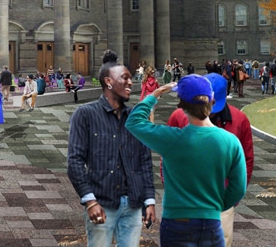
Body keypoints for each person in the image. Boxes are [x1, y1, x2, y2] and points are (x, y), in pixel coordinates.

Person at [126, 74, 246, 247]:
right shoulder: (231, 141)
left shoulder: (172, 139)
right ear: (212, 100)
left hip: (177, 222)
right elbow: (238, 188)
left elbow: (134, 122)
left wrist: (156, 93)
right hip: (211, 223)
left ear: (182, 106)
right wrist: (215, 207)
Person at [67, 50, 156, 247]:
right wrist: (90, 201)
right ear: (108, 82)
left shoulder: (135, 118)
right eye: (124, 78)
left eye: (131, 78)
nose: (131, 83)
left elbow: (144, 161)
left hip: (133, 205)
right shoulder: (85, 115)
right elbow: (74, 161)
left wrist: (149, 199)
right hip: (102, 203)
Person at [164, 73, 253, 247]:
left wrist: (232, 199)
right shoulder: (178, 117)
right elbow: (167, 157)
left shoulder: (240, 120)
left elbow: (246, 161)